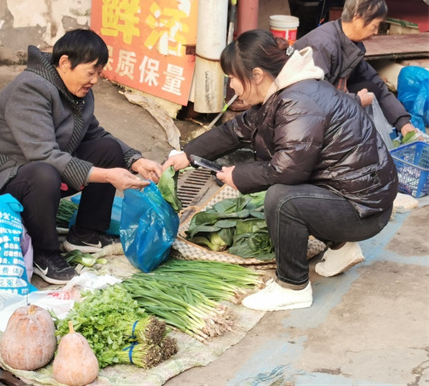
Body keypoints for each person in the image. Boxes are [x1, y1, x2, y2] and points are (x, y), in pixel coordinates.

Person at [162, 29, 398, 311]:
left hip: (364, 211)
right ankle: (341, 248)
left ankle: (292, 286)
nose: (232, 85)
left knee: (282, 198)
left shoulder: (297, 101)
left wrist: (238, 176)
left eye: (234, 77)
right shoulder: (287, 91)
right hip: (360, 198)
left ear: (257, 74)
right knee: (296, 188)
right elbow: (234, 131)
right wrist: (187, 155)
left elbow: (287, 172)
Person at [0, 29, 162, 285]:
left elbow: (95, 133)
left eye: (99, 73)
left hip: (34, 169)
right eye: (91, 72)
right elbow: (43, 155)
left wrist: (135, 160)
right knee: (44, 172)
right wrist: (108, 176)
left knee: (107, 149)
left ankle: (86, 234)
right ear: (65, 63)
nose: (95, 80)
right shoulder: (30, 89)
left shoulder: (77, 90)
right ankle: (44, 253)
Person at [293, 0, 416, 139]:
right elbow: (314, 96)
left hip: (323, 102)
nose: (376, 32)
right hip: (299, 114)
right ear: (357, 18)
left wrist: (403, 123)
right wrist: (356, 101)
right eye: (375, 26)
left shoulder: (350, 44)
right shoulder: (323, 44)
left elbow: (376, 83)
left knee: (370, 87)